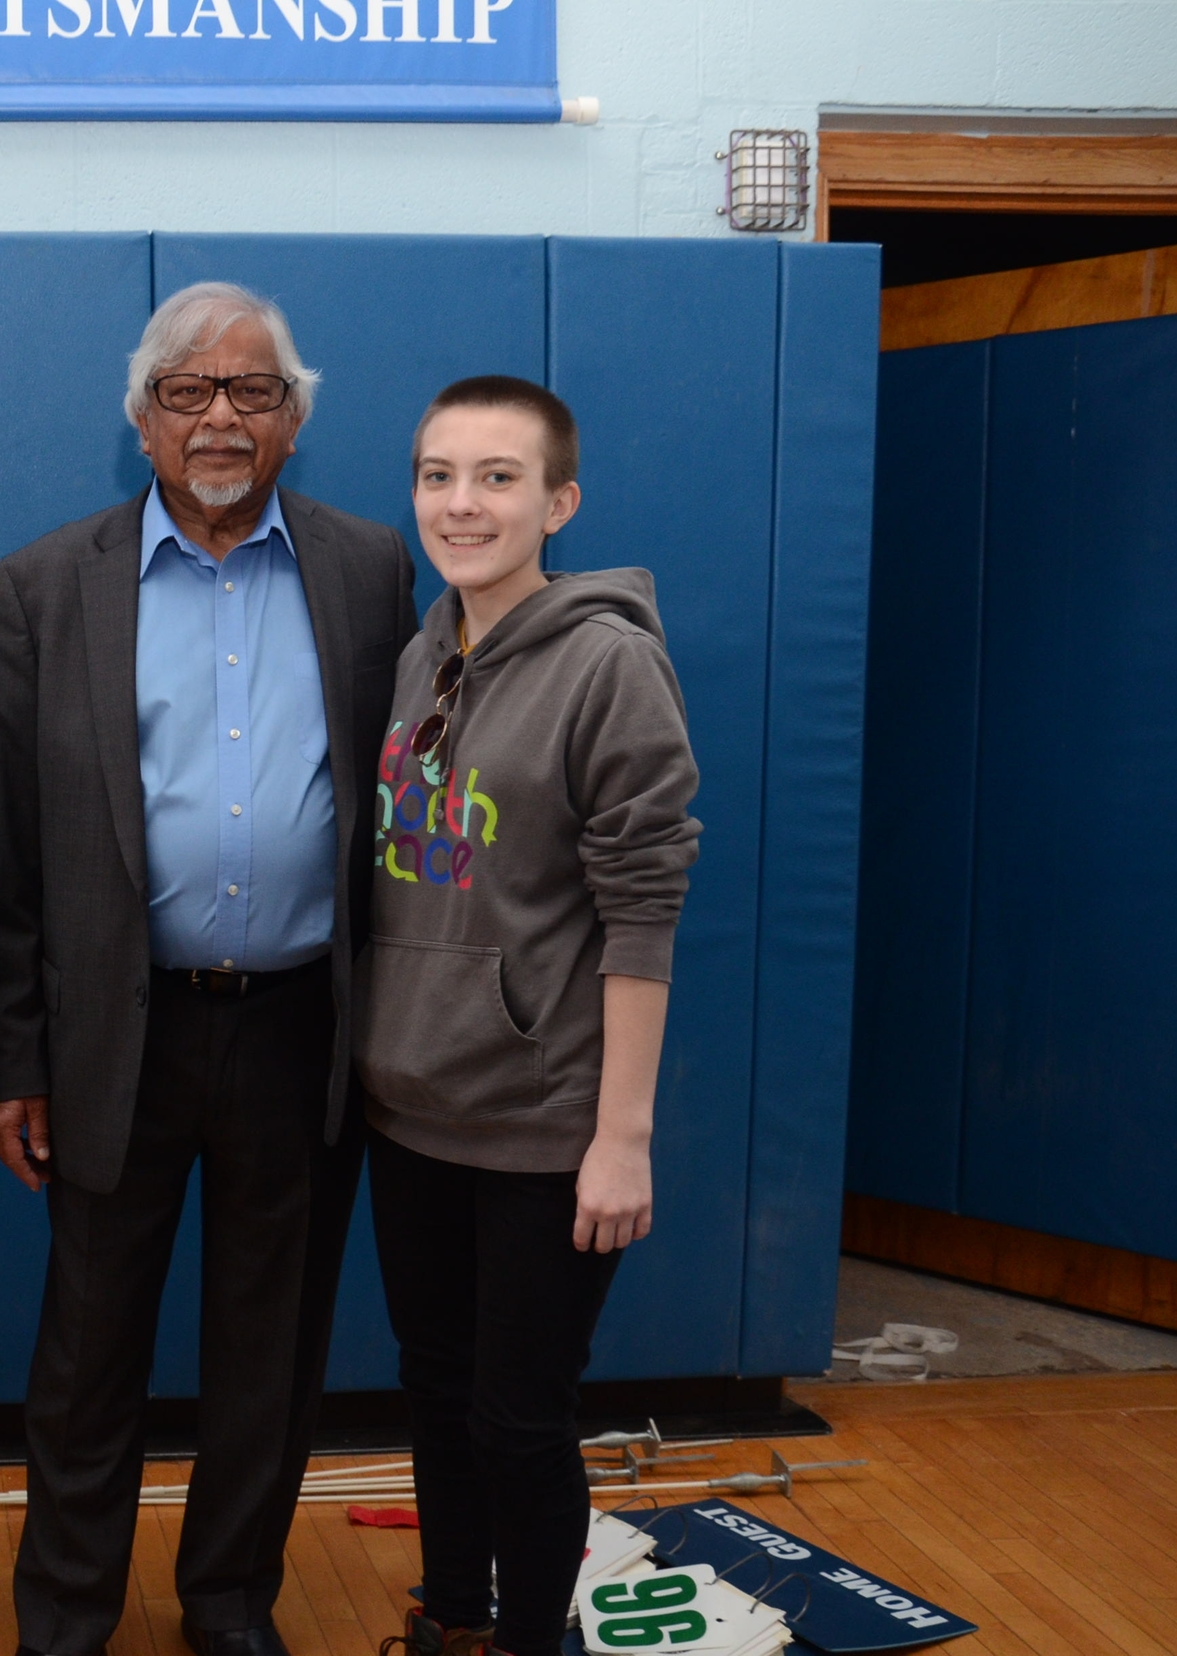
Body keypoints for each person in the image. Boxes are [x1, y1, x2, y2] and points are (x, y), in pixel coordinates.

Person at [0, 282, 416, 1656]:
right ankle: (63, 1618)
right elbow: (14, 855)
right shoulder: (48, 586)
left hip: (300, 1033)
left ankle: (229, 1605)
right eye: (187, 392)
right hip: (120, 1036)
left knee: (271, 1357)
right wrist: (16, 1061)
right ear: (140, 419)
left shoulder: (370, 570)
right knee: (87, 1356)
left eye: (251, 392)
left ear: (294, 421)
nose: (219, 416)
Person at [364, 378, 699, 1656]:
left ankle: (529, 1645)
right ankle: (452, 1621)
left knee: (516, 1417)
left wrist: (622, 1138)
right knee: (438, 1396)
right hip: (412, 1114)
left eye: (497, 477)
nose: (463, 502)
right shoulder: (418, 653)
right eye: (439, 474)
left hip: (544, 1128)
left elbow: (641, 912)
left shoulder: (609, 663)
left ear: (558, 501)